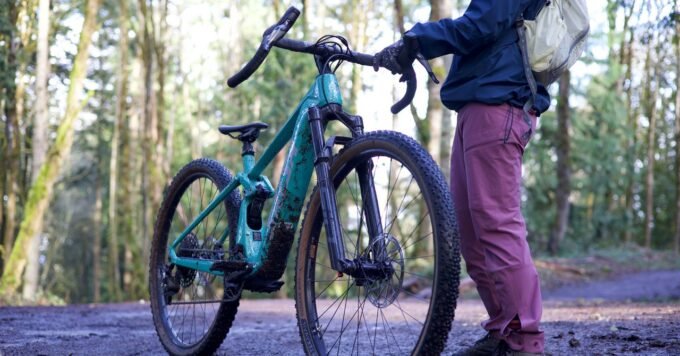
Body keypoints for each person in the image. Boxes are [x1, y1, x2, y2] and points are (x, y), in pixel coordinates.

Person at [374, 1, 549, 355]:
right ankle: (503, 331)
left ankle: (523, 340)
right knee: (471, 232)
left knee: (498, 225)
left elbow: (478, 26)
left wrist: (415, 40)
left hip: (499, 105)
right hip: (479, 106)